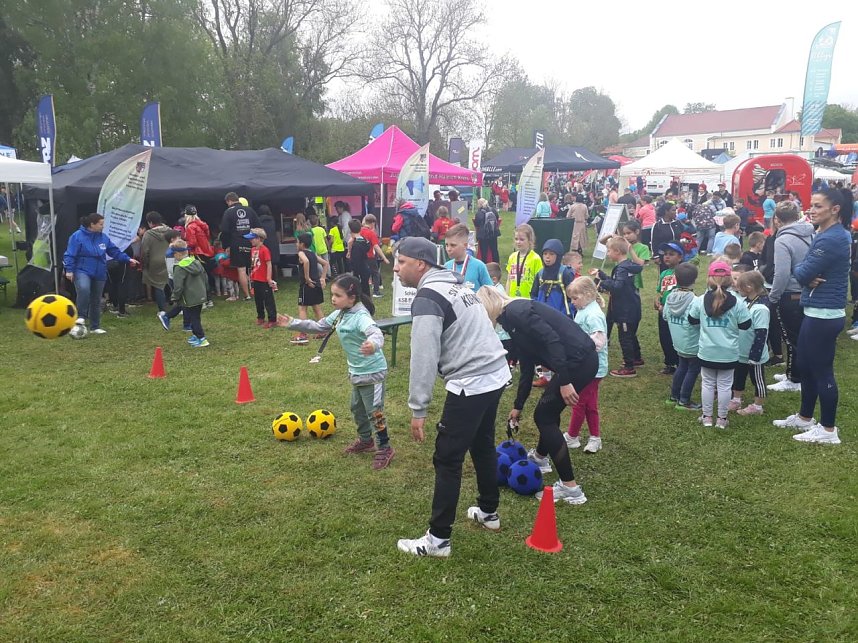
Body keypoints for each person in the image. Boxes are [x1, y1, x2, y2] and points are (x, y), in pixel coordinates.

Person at [394, 237, 509, 558]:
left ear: (420, 264)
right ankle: (489, 512)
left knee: (447, 457)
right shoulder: (455, 283)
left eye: (401, 261)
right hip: (495, 372)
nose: (395, 268)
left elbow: (423, 357)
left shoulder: (429, 295)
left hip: (472, 381)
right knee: (483, 443)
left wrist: (418, 409)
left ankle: (438, 540)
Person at [477, 286, 596, 505]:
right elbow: (527, 365)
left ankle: (571, 488)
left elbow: (552, 340)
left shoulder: (516, 311)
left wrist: (566, 380)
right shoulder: (511, 321)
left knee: (544, 417)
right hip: (575, 362)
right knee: (548, 413)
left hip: (578, 362)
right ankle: (541, 460)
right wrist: (518, 406)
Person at [277, 274, 395, 468]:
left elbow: (375, 332)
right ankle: (366, 441)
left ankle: (385, 447)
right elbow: (318, 326)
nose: (333, 299)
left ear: (352, 297)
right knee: (357, 409)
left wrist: (373, 345)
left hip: (373, 373)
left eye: (337, 295)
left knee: (375, 413)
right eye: (332, 294)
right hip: (357, 373)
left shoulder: (360, 316)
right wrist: (292, 323)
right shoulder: (341, 313)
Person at [774, 187, 853, 445]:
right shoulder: (825, 234)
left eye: (818, 206)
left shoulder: (832, 238)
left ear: (835, 209)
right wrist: (805, 273)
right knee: (806, 366)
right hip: (815, 310)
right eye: (811, 205)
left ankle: (829, 430)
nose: (811, 210)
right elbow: (805, 271)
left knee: (821, 371)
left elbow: (803, 272)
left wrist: (804, 273)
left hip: (825, 314)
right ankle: (806, 417)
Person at [688, 262, 753, 429]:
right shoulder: (738, 303)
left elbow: (692, 320)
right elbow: (746, 324)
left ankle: (707, 417)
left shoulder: (701, 301)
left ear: (709, 280)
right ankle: (722, 419)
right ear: (731, 281)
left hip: (707, 351)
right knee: (725, 385)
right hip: (729, 353)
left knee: (708, 383)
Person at [63, 213, 138, 334]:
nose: (103, 226)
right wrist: (69, 270)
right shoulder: (77, 236)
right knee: (84, 288)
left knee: (96, 298)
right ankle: (81, 316)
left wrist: (128, 259)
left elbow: (114, 251)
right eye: (101, 224)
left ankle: (95, 326)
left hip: (99, 271)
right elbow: (70, 254)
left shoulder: (103, 237)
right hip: (82, 270)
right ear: (92, 225)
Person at [768, 201, 814, 393]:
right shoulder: (812, 232)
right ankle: (794, 371)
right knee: (802, 337)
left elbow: (782, 273)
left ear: (777, 219)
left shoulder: (783, 240)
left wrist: (773, 296)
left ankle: (794, 378)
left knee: (792, 339)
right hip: (809, 290)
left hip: (791, 292)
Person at [564, 277, 608, 453]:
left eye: (575, 298)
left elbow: (598, 342)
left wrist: (577, 351)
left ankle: (572, 436)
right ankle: (595, 438)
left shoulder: (594, 315)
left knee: (579, 402)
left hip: (593, 368)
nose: (573, 302)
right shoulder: (584, 309)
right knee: (590, 404)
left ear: (588, 294)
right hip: (586, 366)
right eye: (572, 299)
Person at [591, 236, 643, 378]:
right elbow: (619, 282)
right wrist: (603, 276)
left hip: (625, 310)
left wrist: (601, 284)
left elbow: (618, 287)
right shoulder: (627, 266)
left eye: (609, 250)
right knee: (631, 335)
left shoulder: (621, 269)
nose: (607, 253)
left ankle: (629, 366)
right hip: (632, 307)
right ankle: (636, 358)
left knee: (625, 337)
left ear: (618, 251)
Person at [728, 270, 770, 416]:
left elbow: (761, 333)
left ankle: (758, 406)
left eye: (739, 287)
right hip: (740, 351)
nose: (737, 290)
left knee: (757, 379)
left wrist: (755, 355)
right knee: (738, 376)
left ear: (749, 287)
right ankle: (736, 399)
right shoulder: (745, 302)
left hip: (754, 355)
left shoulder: (761, 309)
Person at [664, 262, 702, 410]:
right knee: (692, 370)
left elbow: (666, 316)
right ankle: (684, 400)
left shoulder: (670, 297)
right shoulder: (695, 300)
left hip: (678, 342)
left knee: (682, 366)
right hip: (693, 343)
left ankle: (674, 396)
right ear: (695, 279)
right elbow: (697, 322)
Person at [157, 242, 210, 347]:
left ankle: (201, 338)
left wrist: (174, 297)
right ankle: (196, 335)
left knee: (193, 319)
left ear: (177, 254)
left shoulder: (179, 267)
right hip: (201, 295)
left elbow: (178, 286)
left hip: (189, 298)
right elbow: (205, 278)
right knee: (196, 316)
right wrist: (206, 292)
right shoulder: (196, 262)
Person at [220, 192, 260, 300]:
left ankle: (247, 295)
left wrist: (226, 246)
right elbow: (258, 227)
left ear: (229, 201)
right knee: (254, 268)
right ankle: (257, 290)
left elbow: (224, 231)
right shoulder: (250, 210)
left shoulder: (228, 212)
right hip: (252, 242)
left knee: (241, 270)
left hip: (237, 243)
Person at [292, 232, 329, 345]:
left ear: (302, 244)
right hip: (316, 284)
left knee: (302, 308)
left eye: (297, 242)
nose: (296, 244)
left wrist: (307, 278)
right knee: (316, 308)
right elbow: (325, 263)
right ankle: (323, 331)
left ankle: (303, 333)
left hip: (306, 285)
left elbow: (306, 261)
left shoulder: (301, 253)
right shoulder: (313, 253)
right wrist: (322, 278)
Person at [655, 242, 684, 377]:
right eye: (665, 254)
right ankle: (669, 362)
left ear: (680, 257)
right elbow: (660, 290)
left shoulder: (682, 272)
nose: (667, 257)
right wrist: (657, 299)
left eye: (671, 254)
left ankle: (679, 362)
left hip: (676, 311)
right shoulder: (664, 273)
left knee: (675, 336)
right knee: (664, 336)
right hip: (662, 310)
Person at [531, 238, 575, 317]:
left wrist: (564, 315)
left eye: (551, 254)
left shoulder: (565, 273)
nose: (547, 257)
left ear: (558, 256)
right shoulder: (540, 274)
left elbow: (572, 298)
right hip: (541, 316)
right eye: (545, 254)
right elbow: (534, 294)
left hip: (561, 317)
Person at [183, 205, 216, 309]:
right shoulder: (203, 225)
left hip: (197, 254)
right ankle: (209, 299)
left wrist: (183, 243)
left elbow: (192, 243)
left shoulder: (190, 227)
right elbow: (207, 237)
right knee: (206, 277)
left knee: (199, 279)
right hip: (207, 252)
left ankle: (203, 301)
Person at [443, 223, 492, 292]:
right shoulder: (446, 267)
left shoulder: (479, 266)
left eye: (453, 245)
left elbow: (490, 292)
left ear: (465, 245)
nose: (448, 249)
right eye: (446, 245)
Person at [244, 228, 278, 328]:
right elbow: (253, 264)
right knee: (258, 299)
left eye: (252, 239)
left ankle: (272, 319)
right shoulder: (253, 250)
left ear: (259, 238)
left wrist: (268, 278)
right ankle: (260, 317)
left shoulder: (265, 250)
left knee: (268, 300)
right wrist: (251, 276)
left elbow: (269, 264)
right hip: (256, 279)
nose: (250, 241)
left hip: (264, 279)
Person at [141, 211, 173, 311]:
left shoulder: (148, 234)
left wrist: (144, 264)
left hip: (154, 262)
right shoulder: (170, 230)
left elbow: (144, 251)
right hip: (169, 260)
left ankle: (162, 310)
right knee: (171, 283)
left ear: (150, 222)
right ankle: (175, 304)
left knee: (158, 286)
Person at [486, 262, 514, 369]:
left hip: (502, 334)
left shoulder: (497, 292)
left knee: (502, 356)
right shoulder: (494, 289)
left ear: (493, 279)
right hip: (497, 333)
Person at [505, 224, 543, 298]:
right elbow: (509, 279)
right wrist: (507, 296)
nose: (518, 242)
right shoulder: (512, 257)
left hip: (528, 299)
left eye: (522, 239)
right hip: (513, 298)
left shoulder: (535, 258)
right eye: (516, 239)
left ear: (530, 240)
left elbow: (540, 281)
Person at [361, 214, 388, 298]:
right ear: (373, 223)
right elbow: (376, 247)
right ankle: (376, 291)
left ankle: (363, 291)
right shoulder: (372, 233)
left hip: (361, 256)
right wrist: (384, 257)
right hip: (370, 256)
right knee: (375, 273)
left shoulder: (360, 231)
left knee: (363, 273)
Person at [621, 220, 651, 292]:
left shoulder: (643, 247)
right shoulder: (622, 245)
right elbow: (602, 242)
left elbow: (640, 264)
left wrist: (631, 250)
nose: (626, 236)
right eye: (624, 234)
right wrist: (610, 235)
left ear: (637, 232)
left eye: (629, 233)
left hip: (634, 281)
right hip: (621, 278)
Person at [474, 199, 501, 264]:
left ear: (479, 204)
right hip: (493, 232)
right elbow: (497, 218)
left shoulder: (479, 213)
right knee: (494, 250)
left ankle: (484, 265)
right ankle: (496, 264)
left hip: (483, 235)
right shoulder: (493, 210)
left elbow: (477, 223)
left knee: (484, 251)